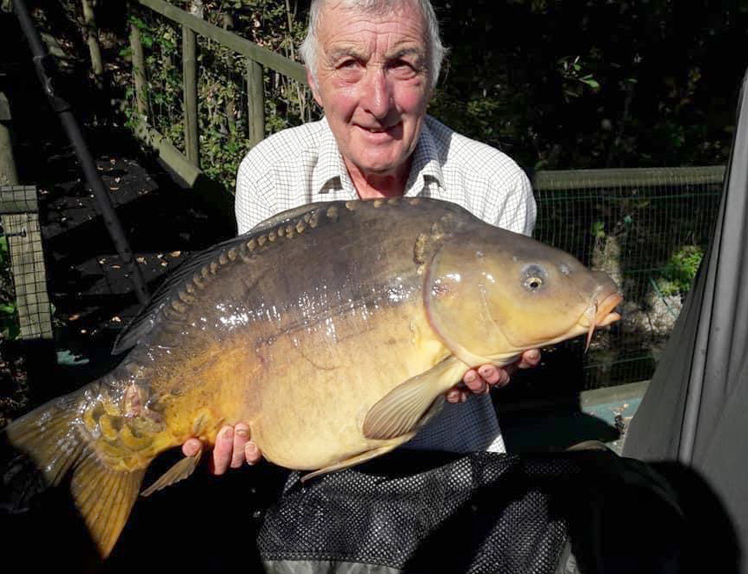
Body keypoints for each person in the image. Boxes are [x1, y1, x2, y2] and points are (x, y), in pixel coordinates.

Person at [182, 0, 540, 473]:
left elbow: (507, 335)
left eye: (402, 65)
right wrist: (234, 417)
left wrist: (507, 355)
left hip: (459, 466)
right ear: (314, 80)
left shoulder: (496, 184)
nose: (378, 101)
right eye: (349, 65)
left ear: (432, 76)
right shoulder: (271, 172)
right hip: (311, 475)